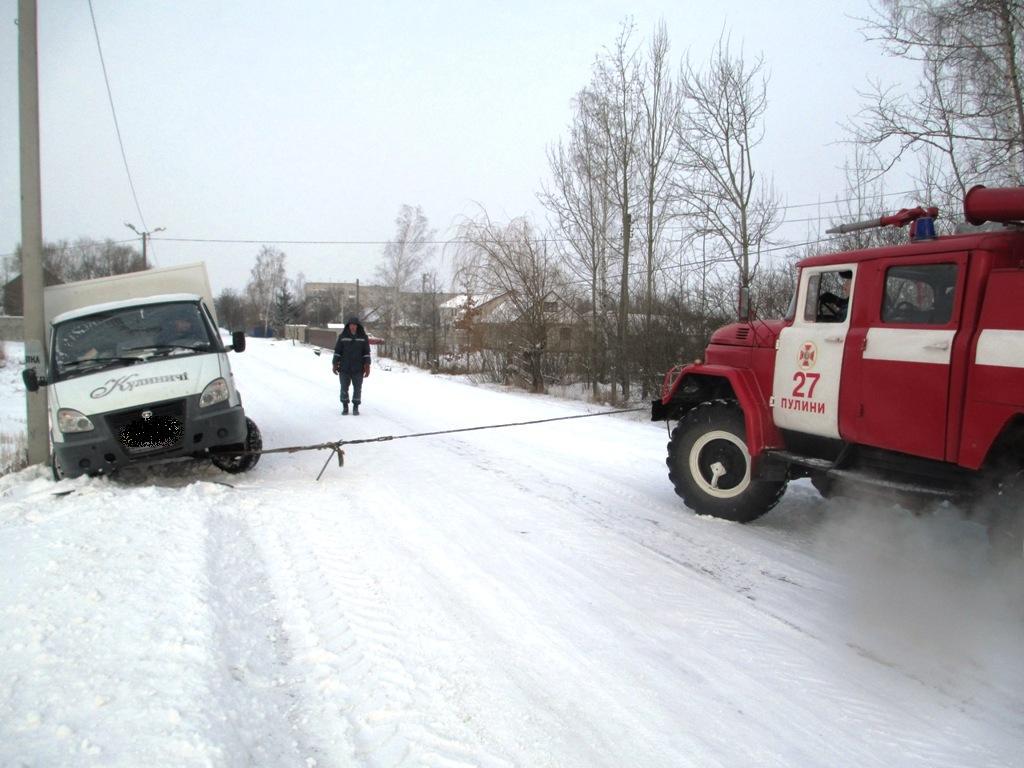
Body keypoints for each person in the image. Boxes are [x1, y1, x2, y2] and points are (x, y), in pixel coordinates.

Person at [332, 316, 371, 415]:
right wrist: (335, 363)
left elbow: (366, 353)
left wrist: (367, 366)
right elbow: (337, 351)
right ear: (348, 326)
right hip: (344, 368)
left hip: (358, 369)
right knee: (344, 388)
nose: (353, 327)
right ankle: (345, 406)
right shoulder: (342, 336)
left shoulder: (363, 337)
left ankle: (355, 407)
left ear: (357, 326)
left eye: (354, 325)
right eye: (351, 325)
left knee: (357, 388)